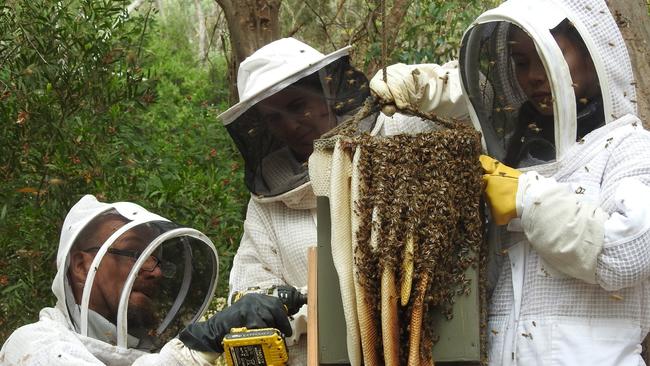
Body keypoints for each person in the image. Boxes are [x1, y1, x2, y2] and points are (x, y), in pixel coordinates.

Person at [372, 0, 650, 364]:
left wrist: (527, 198)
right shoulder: (510, 150)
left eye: (550, 56)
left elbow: (627, 253)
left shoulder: (630, 147)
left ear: (591, 56)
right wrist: (426, 88)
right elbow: (396, 137)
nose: (534, 75)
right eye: (521, 63)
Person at [219, 36, 469, 365]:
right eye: (274, 118)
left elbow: (479, 101)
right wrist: (304, 314)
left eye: (297, 106)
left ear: (326, 91)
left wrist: (425, 87)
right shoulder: (267, 203)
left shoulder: (396, 132)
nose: (290, 125)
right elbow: (249, 294)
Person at [0, 195, 292, 365]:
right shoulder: (32, 345)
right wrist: (197, 346)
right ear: (81, 265)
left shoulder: (141, 355)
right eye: (135, 253)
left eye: (156, 258)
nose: (155, 271)